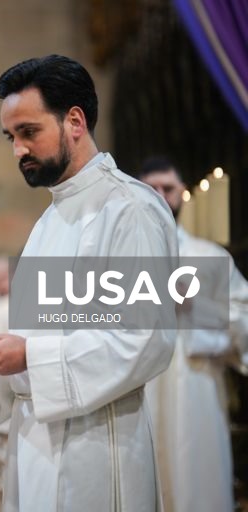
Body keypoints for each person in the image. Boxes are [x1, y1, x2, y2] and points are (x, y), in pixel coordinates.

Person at [0, 55, 178, 511]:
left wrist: (27, 356)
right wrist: (1, 360)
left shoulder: (130, 209)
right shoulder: (51, 217)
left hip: (97, 451)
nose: (17, 149)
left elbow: (143, 338)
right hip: (36, 442)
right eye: (11, 136)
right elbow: (45, 333)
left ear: (74, 121)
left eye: (29, 132)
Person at [138, 157, 248, 512]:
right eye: (150, 188)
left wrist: (196, 306)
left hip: (197, 398)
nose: (159, 196)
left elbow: (244, 323)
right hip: (139, 403)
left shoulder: (211, 257)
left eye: (167, 188)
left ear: (182, 193)